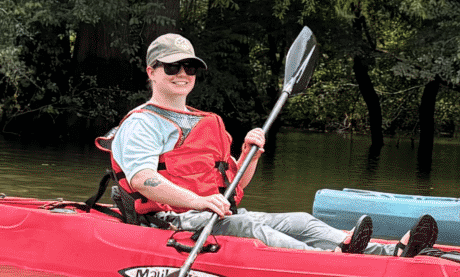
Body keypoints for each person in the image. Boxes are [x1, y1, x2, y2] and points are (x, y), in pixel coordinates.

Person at [109, 33, 431, 255]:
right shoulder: (142, 123)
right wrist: (199, 202)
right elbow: (143, 180)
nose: (183, 74)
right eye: (172, 67)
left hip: (213, 213)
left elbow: (233, 185)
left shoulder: (204, 121)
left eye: (189, 67)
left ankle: (388, 251)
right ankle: (332, 261)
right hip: (171, 220)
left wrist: (250, 155)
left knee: (299, 220)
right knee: (250, 225)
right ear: (152, 71)